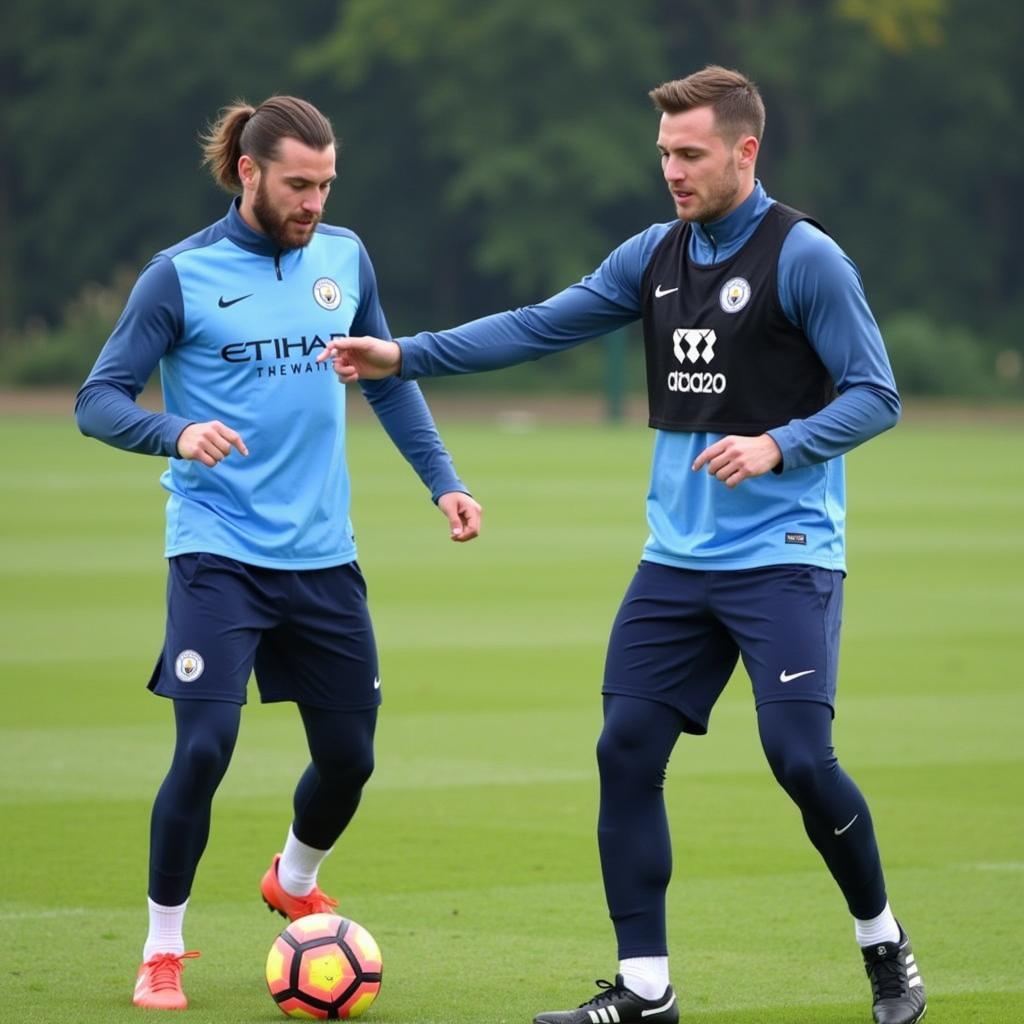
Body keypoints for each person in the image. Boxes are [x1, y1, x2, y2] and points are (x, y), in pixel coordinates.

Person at [318, 67, 926, 1024]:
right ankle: (646, 991)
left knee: (801, 760)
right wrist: (405, 353)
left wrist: (778, 444)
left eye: (690, 154)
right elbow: (535, 327)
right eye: (664, 155)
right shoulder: (654, 254)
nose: (673, 171)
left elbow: (876, 394)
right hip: (677, 564)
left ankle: (883, 942)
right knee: (625, 750)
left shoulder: (806, 258)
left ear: (744, 151)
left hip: (789, 551)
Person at [75, 95, 482, 1011]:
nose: (315, 202)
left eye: (327, 184)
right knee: (205, 747)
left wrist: (442, 481)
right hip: (217, 553)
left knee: (350, 760)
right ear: (249, 172)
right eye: (300, 184)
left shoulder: (345, 259)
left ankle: (293, 880)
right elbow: (97, 399)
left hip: (323, 557)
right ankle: (164, 947)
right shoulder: (178, 276)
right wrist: (176, 434)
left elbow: (388, 380)